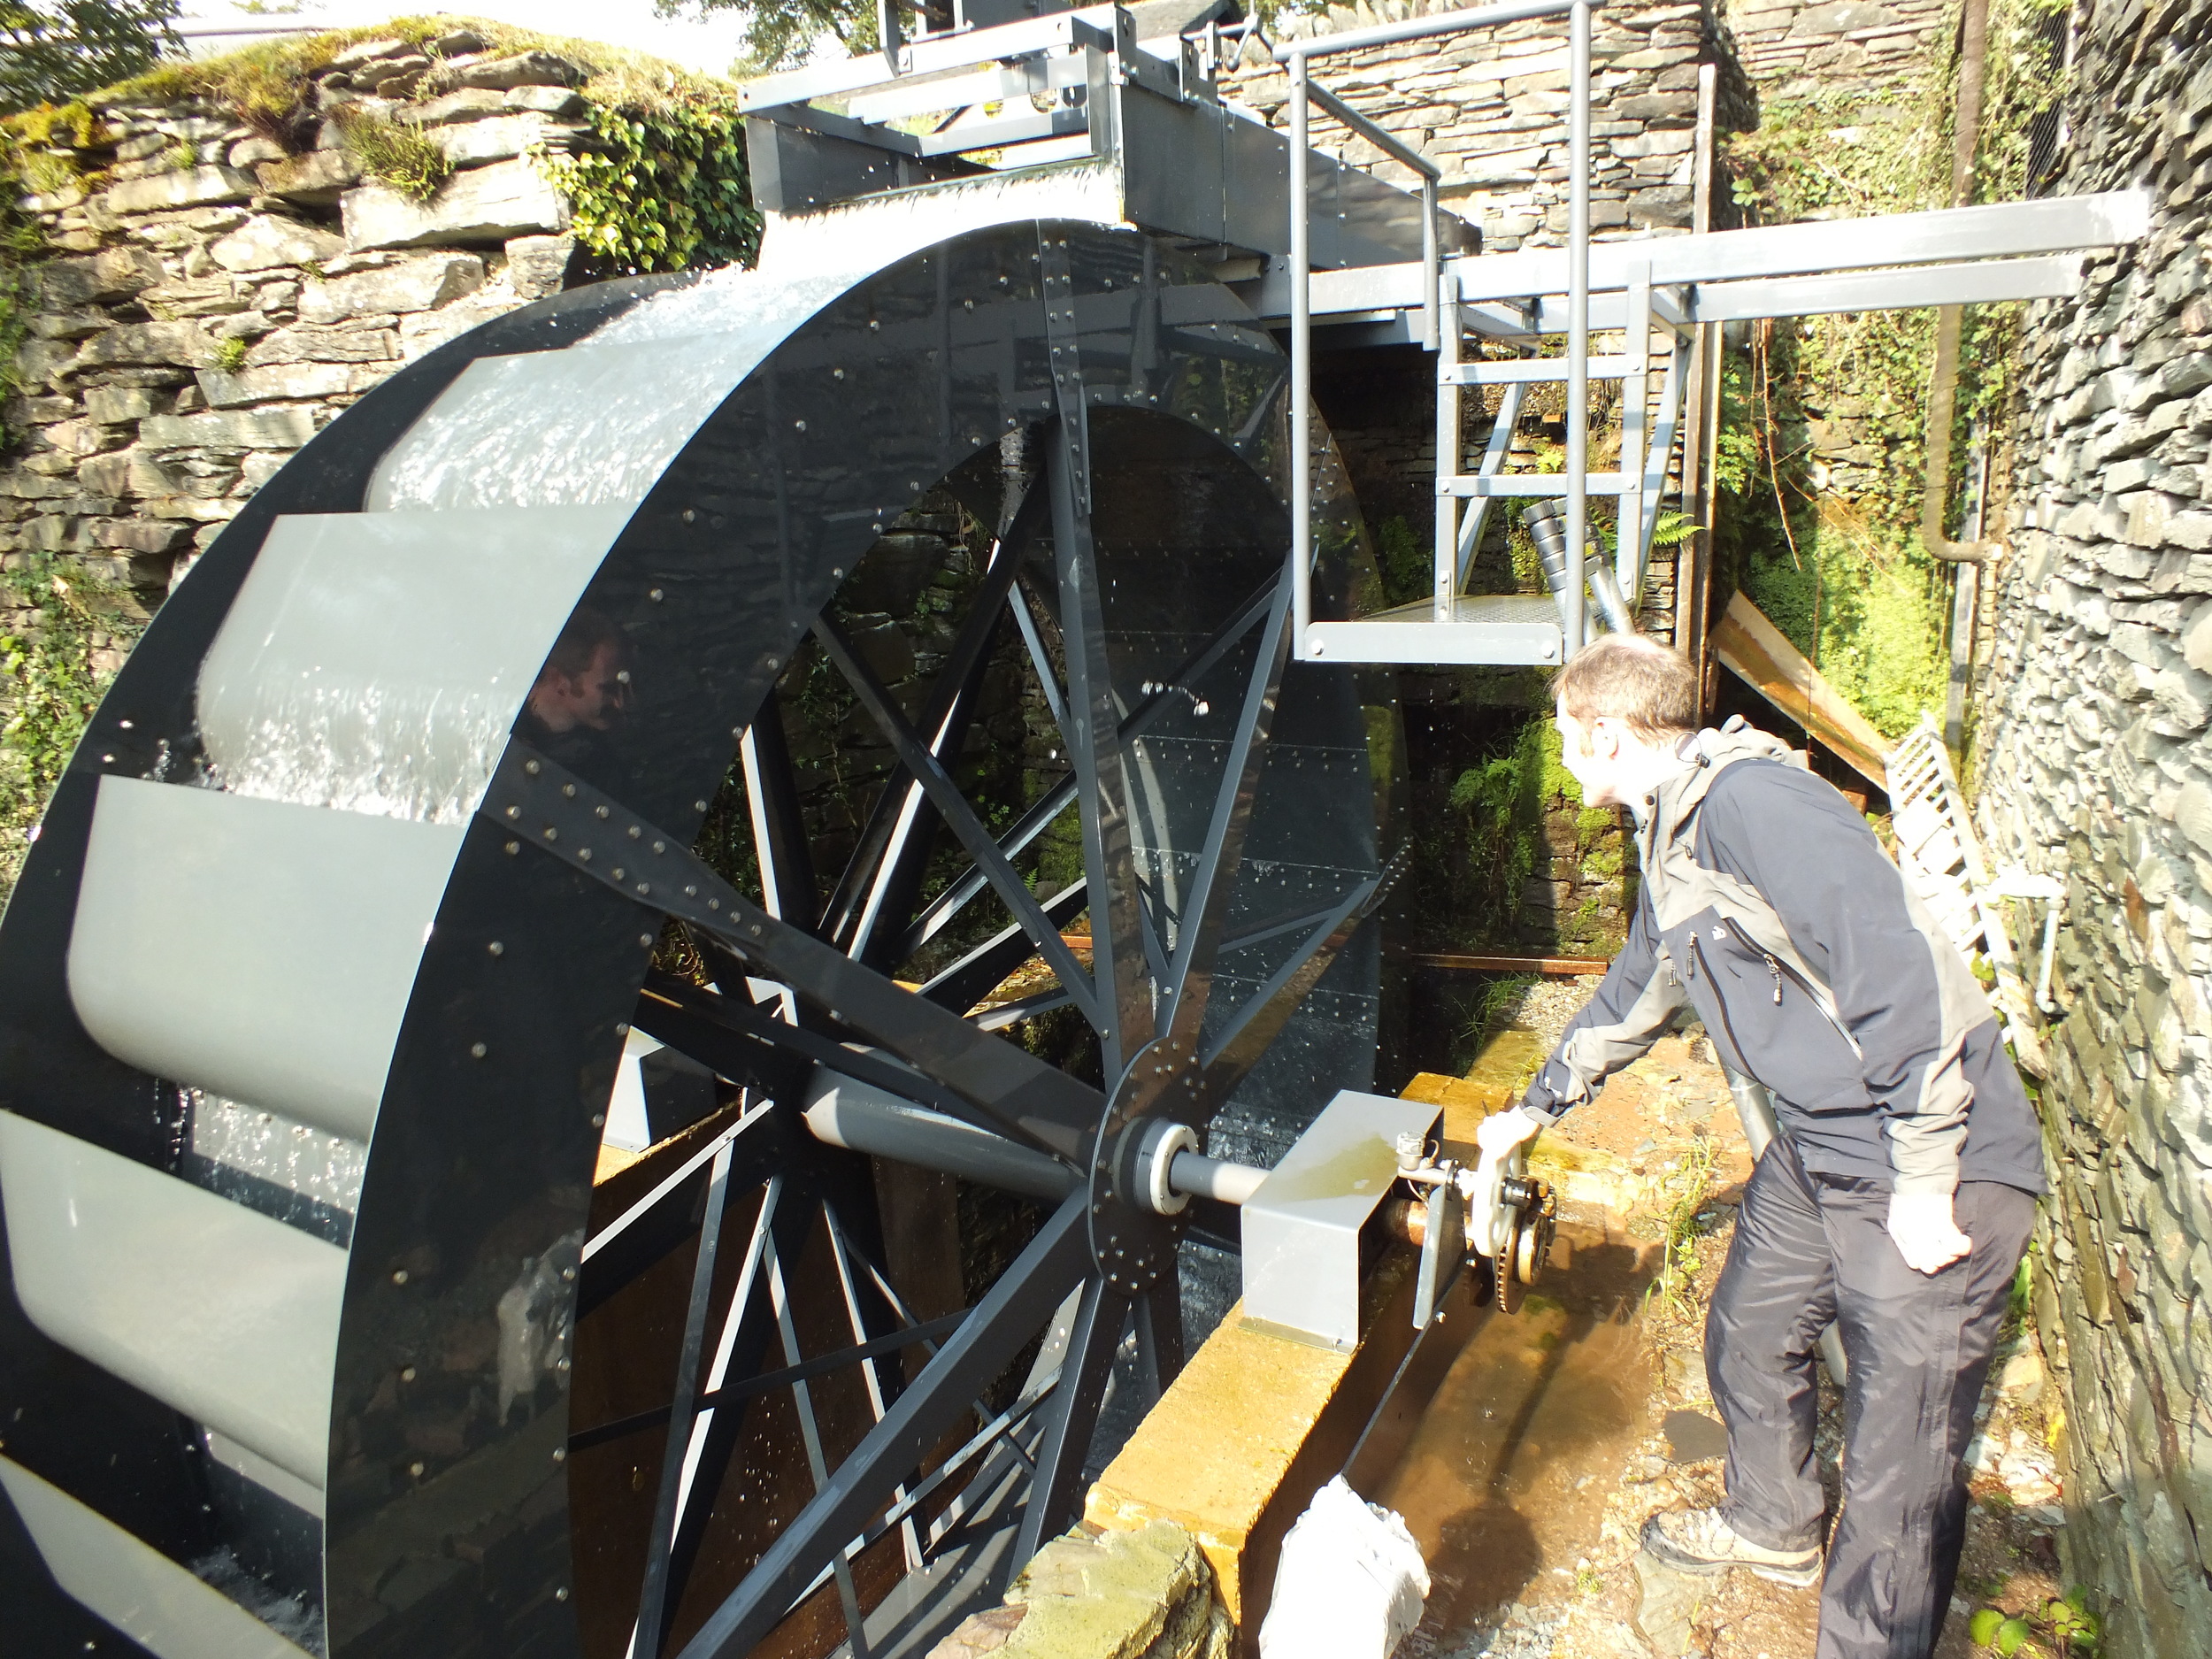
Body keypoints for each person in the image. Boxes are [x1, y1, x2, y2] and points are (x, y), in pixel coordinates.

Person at [1476, 634, 2044, 1659]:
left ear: (1606, 734)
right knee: (1749, 1326)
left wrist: (1923, 1183)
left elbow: (1900, 976)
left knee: (1898, 1461)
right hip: (1822, 1137)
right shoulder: (1674, 827)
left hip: (1931, 1148)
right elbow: (1641, 985)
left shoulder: (1756, 807)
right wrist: (1538, 1103)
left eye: (1564, 734)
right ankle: (1772, 1525)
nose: (1557, 754)